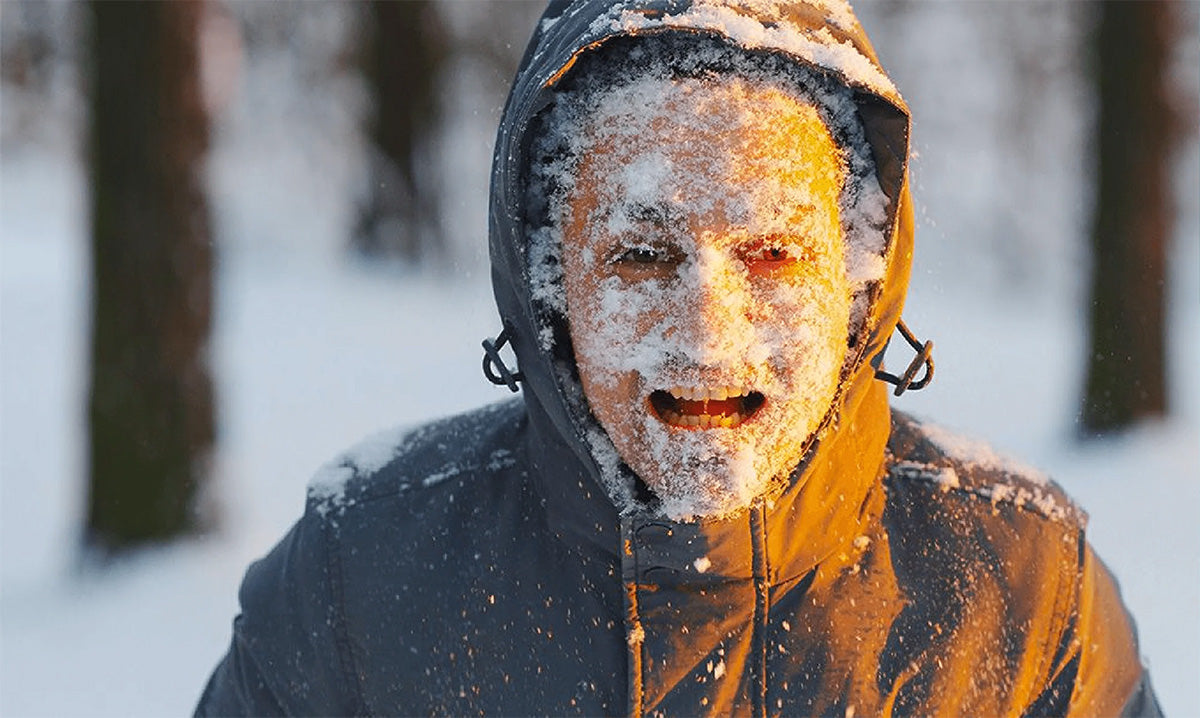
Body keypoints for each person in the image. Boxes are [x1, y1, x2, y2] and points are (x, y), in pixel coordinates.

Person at [196, 1, 1161, 715]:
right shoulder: (361, 581)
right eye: (642, 255)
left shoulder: (1020, 594)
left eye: (774, 255)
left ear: (859, 277)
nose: (707, 335)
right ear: (549, 282)